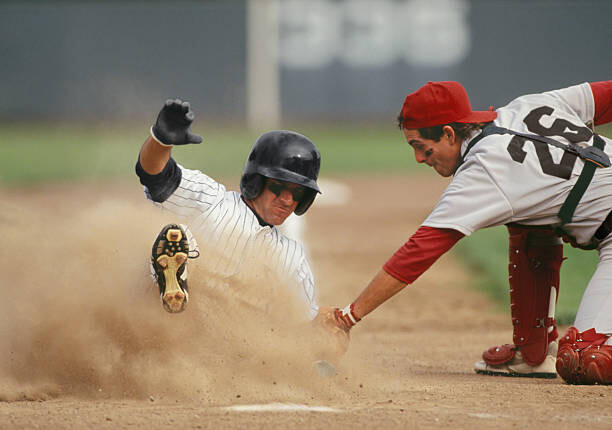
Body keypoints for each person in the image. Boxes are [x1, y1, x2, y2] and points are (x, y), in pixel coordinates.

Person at [327, 80, 612, 384]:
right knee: (528, 223)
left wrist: (347, 317)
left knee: (585, 358)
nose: (419, 159)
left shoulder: (483, 169)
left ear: (449, 133)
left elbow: (419, 251)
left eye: (422, 147)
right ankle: (534, 353)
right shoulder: (530, 104)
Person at [135, 99, 324, 324]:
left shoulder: (292, 257)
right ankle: (170, 284)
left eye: (298, 193)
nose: (287, 200)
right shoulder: (211, 199)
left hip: (217, 345)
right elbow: (155, 176)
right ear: (257, 180)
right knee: (177, 237)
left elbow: (304, 327)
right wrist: (161, 141)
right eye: (279, 186)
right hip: (155, 319)